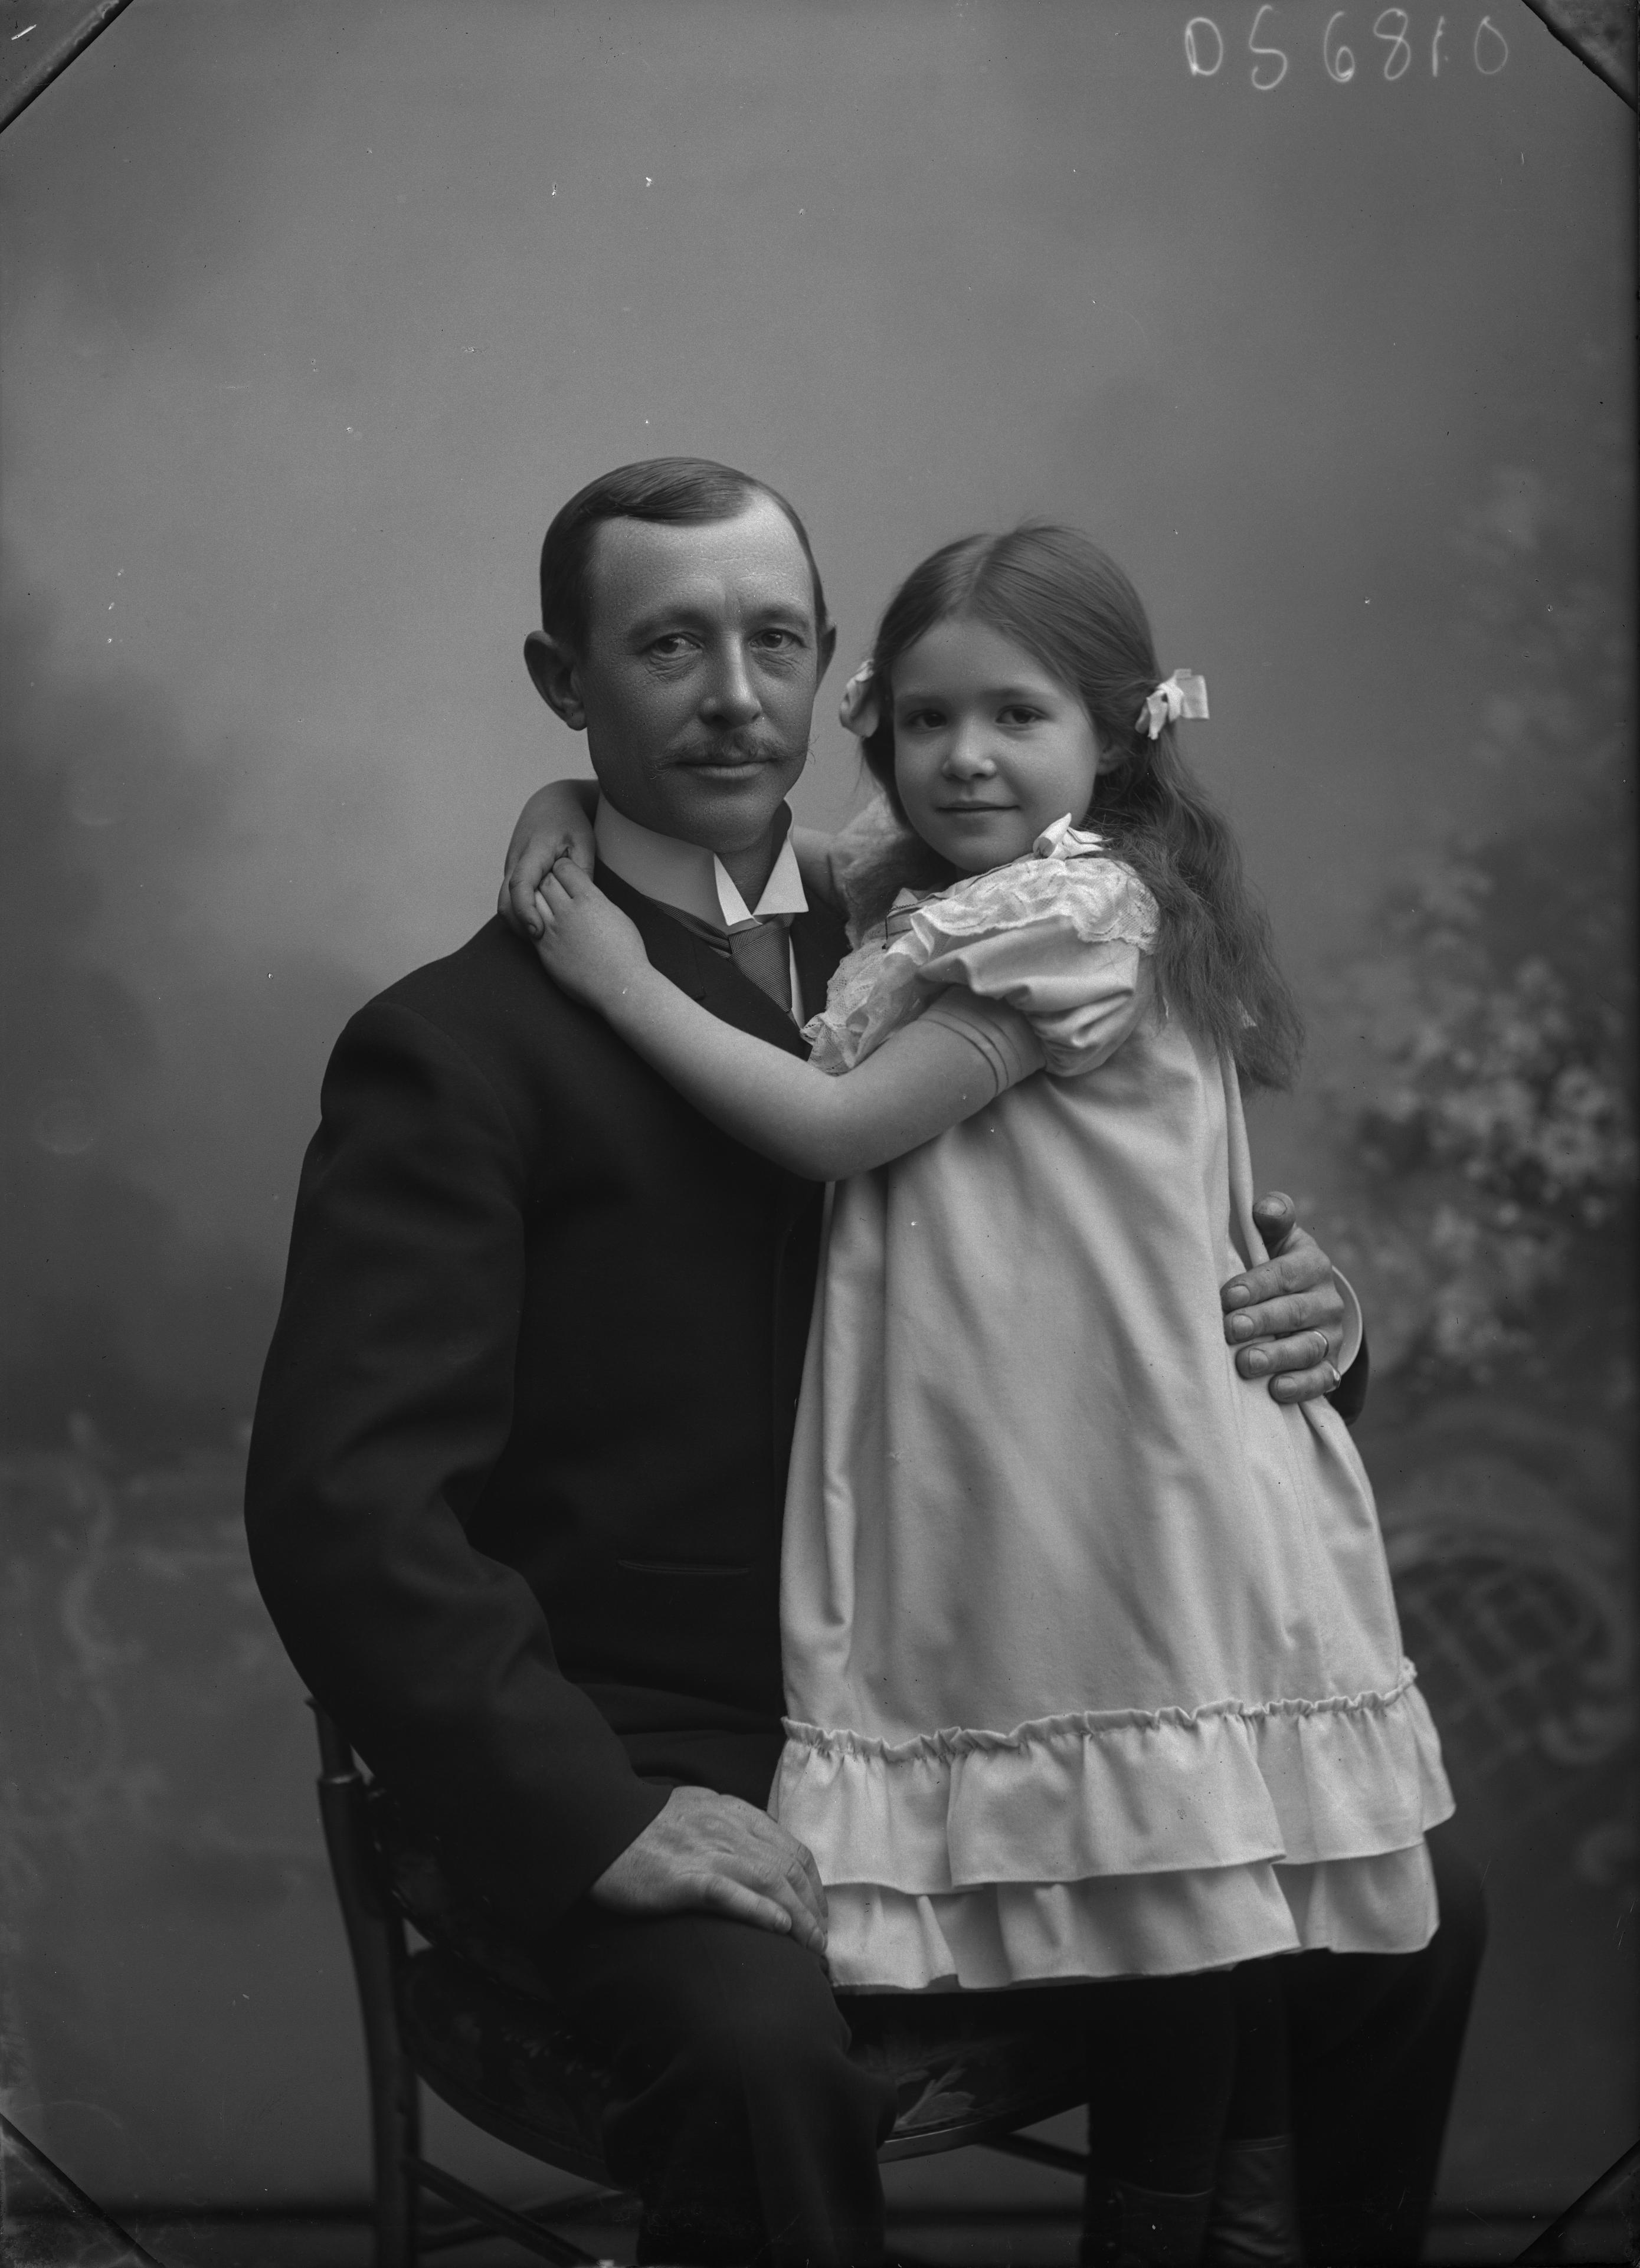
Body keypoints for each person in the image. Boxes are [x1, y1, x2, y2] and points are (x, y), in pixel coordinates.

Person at [245, 460, 1482, 2268]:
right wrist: (592, 1815)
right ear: (563, 680)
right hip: (665, 1738)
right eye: (665, 646)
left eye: (772, 642)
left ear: (832, 667)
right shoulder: (462, 1046)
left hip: (1014, 1675)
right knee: (760, 2054)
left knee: (1419, 1912)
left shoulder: (951, 923)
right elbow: (345, 1511)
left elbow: (1126, 1268)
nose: (732, 696)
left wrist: (1308, 1317)